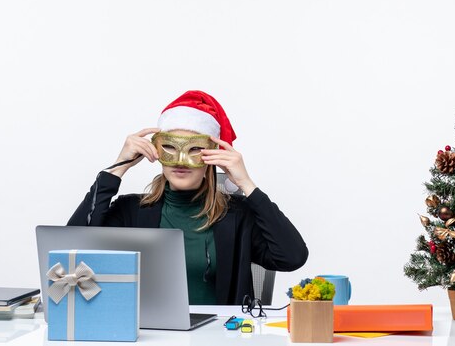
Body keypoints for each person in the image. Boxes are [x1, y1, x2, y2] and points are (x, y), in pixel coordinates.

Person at [68, 90, 308, 305]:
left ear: (211, 159)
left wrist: (247, 185)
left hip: (220, 336)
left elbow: (292, 257)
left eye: (194, 149)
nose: (181, 161)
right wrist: (117, 168)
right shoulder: (131, 211)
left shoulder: (236, 216)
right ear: (158, 150)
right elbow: (70, 250)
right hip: (149, 335)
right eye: (170, 148)